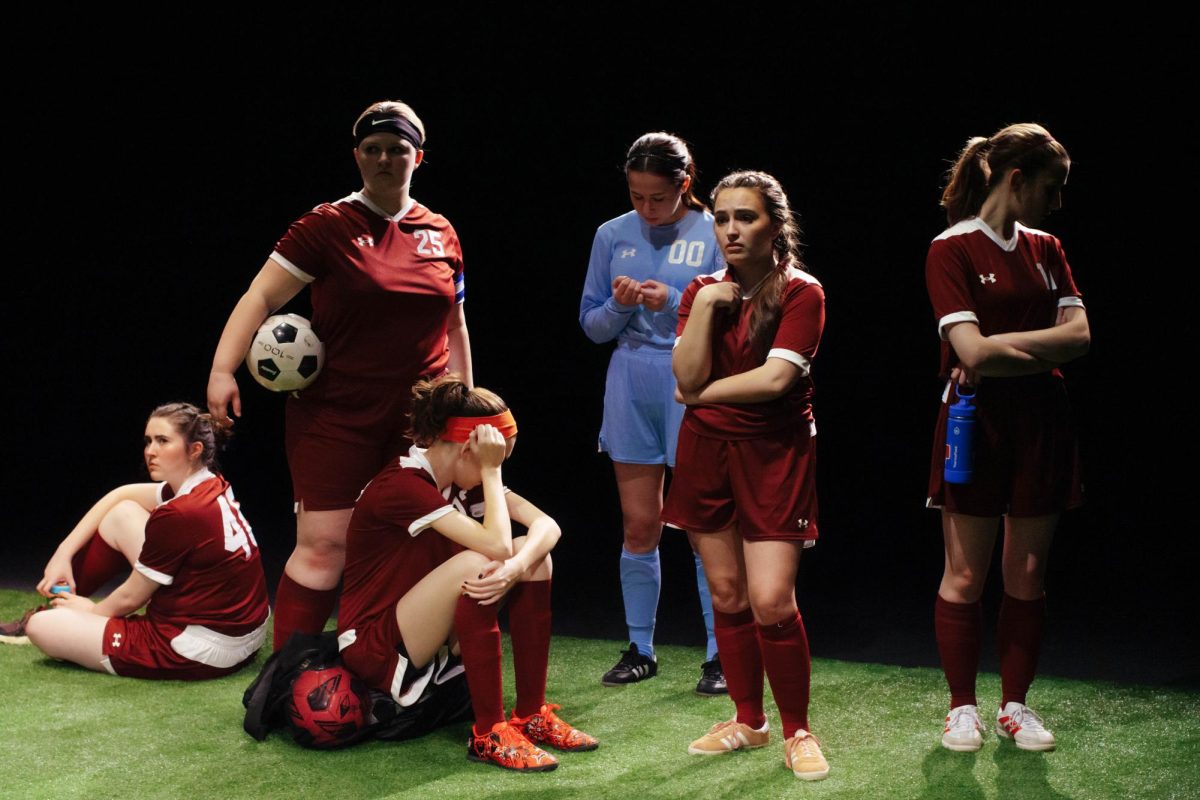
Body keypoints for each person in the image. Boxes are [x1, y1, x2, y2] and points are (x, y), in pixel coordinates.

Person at [206, 100, 473, 650]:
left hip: (416, 420)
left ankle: (388, 669)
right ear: (356, 157)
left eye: (396, 150)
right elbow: (260, 295)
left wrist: (463, 403)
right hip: (335, 417)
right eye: (371, 150)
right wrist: (221, 370)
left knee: (412, 540)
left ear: (417, 158)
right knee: (325, 546)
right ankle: (286, 677)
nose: (383, 159)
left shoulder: (441, 233)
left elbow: (455, 325)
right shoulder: (326, 225)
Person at [336, 375, 597, 772]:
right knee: (482, 561)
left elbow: (548, 526)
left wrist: (516, 568)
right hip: (373, 643)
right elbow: (495, 546)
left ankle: (531, 715)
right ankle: (488, 733)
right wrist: (492, 477)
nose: (499, 470)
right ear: (465, 450)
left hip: (424, 631)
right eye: (496, 460)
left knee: (536, 560)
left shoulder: (459, 479)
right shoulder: (404, 484)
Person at [926, 123, 1088, 753]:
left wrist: (998, 350)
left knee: (1027, 573)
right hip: (975, 420)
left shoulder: (1048, 247)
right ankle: (961, 709)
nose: (1058, 202)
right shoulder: (951, 248)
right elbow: (967, 353)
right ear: (1017, 179)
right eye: (1053, 187)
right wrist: (1017, 351)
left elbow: (1081, 337)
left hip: (1042, 421)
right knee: (964, 576)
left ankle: (1014, 706)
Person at [663, 171, 829, 781]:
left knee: (771, 601)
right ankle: (748, 721)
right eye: (723, 218)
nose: (731, 229)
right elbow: (685, 374)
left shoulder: (801, 292)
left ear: (775, 225)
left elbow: (776, 381)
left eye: (747, 217)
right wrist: (705, 306)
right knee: (728, 596)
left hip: (774, 456)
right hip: (706, 453)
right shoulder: (701, 292)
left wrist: (699, 393)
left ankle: (797, 730)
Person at [579, 132, 725, 694]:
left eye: (657, 198)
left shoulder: (716, 230)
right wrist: (619, 303)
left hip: (692, 381)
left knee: (702, 526)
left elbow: (739, 308)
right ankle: (641, 647)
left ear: (685, 185)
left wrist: (678, 297)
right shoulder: (611, 234)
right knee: (640, 524)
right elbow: (591, 326)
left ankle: (719, 653)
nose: (646, 208)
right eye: (636, 196)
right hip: (630, 379)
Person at [4, 403, 269, 679]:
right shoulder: (208, 483)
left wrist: (94, 611)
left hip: (199, 647)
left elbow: (132, 596)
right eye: (149, 441)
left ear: (195, 450)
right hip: (244, 632)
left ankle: (64, 610)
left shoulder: (181, 512)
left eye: (163, 441)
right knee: (121, 515)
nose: (150, 451)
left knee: (42, 627)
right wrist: (63, 553)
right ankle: (66, 601)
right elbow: (120, 495)